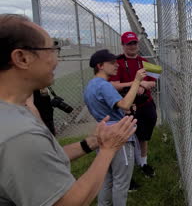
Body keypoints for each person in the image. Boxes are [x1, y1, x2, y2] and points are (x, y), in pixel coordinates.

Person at [0, 14, 137, 206]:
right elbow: (66, 202)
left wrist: (93, 142)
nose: (58, 60)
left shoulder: (14, 112)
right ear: (22, 58)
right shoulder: (20, 135)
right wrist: (108, 149)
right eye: (52, 49)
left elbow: (45, 158)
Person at [84, 49, 146, 206]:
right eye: (111, 63)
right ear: (100, 66)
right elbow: (124, 105)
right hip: (118, 136)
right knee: (121, 182)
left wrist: (124, 106)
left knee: (106, 179)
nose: (116, 65)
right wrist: (137, 80)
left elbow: (117, 106)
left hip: (103, 133)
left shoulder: (91, 85)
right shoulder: (104, 85)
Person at [109, 31, 157, 178]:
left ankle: (143, 162)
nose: (132, 46)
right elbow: (113, 85)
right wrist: (136, 84)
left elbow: (154, 81)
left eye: (134, 43)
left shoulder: (145, 61)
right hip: (127, 106)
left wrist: (147, 84)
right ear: (123, 45)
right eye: (128, 44)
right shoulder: (117, 62)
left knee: (144, 136)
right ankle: (124, 168)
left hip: (145, 103)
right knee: (126, 138)